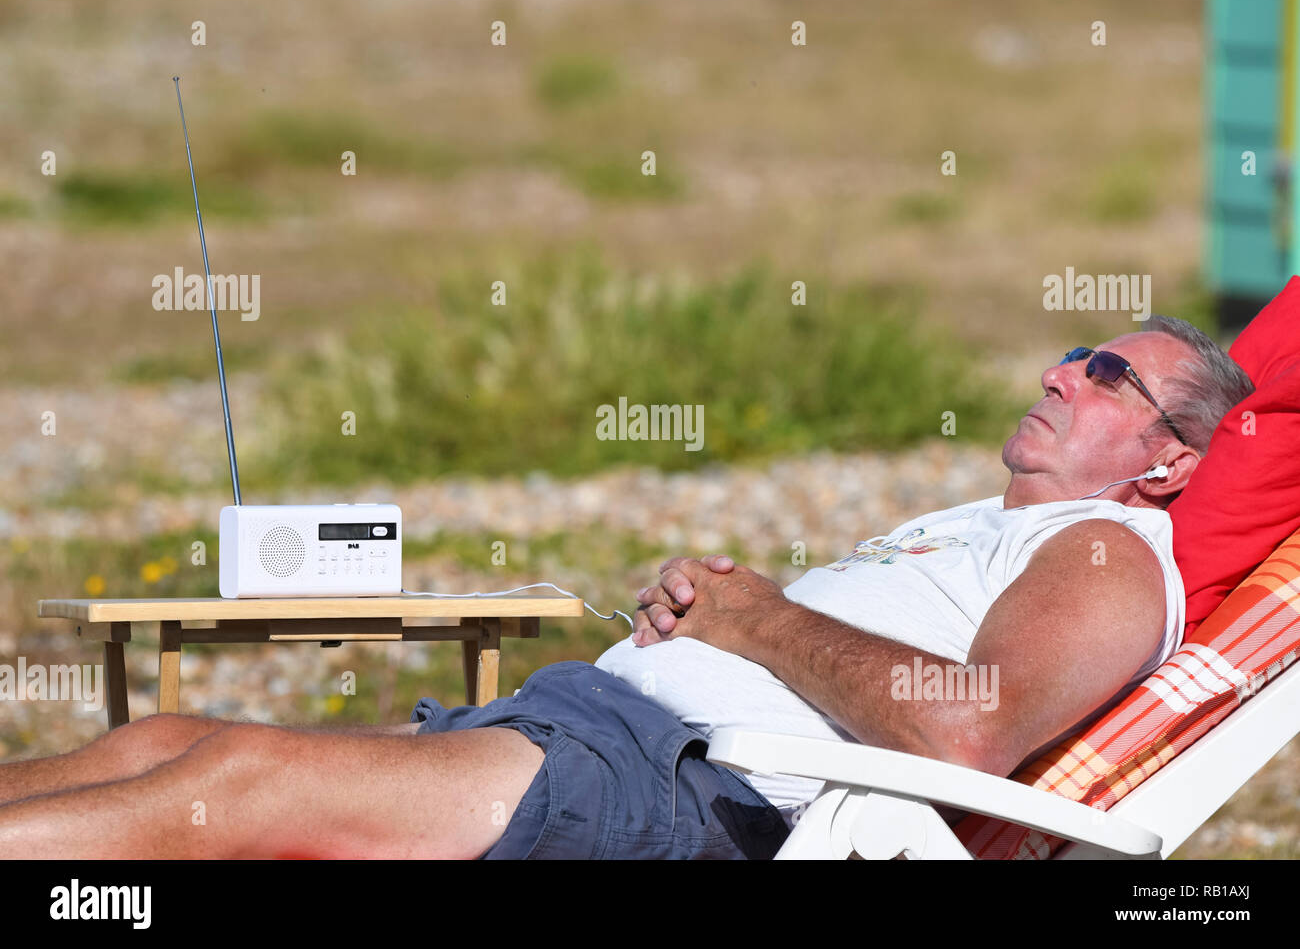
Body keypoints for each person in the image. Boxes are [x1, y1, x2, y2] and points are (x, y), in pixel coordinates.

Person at [0, 316, 1254, 859]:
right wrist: (711, 618)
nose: (1058, 370)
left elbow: (970, 721)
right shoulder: (979, 523)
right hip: (593, 736)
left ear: (1169, 461)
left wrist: (756, 616)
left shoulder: (1101, 553)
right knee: (170, 738)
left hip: (666, 793)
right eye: (1071, 353)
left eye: (1102, 371)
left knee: (238, 790)